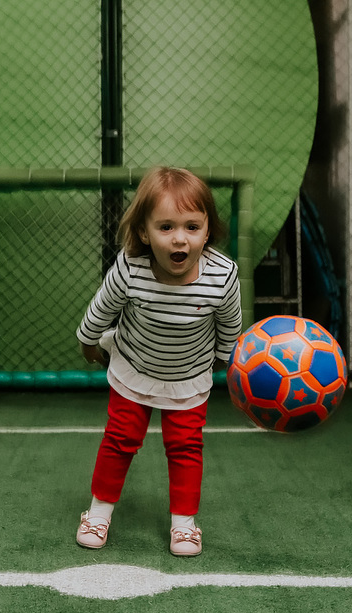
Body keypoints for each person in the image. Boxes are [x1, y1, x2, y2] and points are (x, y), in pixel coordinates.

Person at [75, 167, 242, 557]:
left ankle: (184, 524)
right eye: (165, 227)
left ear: (207, 231)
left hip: (189, 375)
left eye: (192, 226)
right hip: (134, 367)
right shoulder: (131, 268)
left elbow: (230, 325)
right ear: (144, 233)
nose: (180, 238)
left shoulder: (223, 275)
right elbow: (101, 309)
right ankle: (98, 513)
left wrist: (225, 362)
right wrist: (88, 343)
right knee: (120, 441)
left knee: (185, 448)